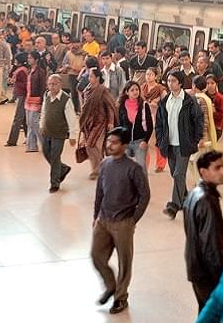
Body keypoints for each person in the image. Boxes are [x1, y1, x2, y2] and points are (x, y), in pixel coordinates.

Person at [91, 127, 150, 315]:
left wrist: (133, 219)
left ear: (124, 146)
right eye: (108, 141)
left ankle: (120, 297)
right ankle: (111, 285)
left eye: (114, 142)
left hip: (123, 222)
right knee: (97, 256)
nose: (109, 144)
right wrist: (95, 216)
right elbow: (99, 191)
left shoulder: (134, 168)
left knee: (125, 262)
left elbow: (145, 195)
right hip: (103, 220)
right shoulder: (105, 164)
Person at [183, 151, 223, 311]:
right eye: (217, 168)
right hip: (207, 273)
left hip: (196, 267)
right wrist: (220, 277)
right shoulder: (207, 201)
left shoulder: (194, 194)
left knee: (205, 313)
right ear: (203, 171)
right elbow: (211, 244)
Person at [156, 71, 204, 220]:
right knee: (174, 174)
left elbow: (198, 120)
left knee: (178, 174)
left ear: (181, 83)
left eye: (173, 81)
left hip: (183, 144)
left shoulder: (189, 101)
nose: (170, 84)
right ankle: (188, 200)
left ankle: (174, 206)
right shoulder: (164, 102)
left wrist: (195, 139)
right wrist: (160, 138)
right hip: (169, 144)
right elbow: (159, 124)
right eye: (169, 81)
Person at [39, 74, 78, 193]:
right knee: (46, 153)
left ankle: (54, 182)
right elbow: (44, 111)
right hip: (46, 131)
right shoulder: (46, 95)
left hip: (59, 133)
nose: (52, 86)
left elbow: (72, 118)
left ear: (60, 84)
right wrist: (41, 124)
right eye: (50, 84)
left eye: (55, 84)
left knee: (55, 157)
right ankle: (63, 168)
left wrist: (73, 135)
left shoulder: (66, 99)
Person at [79, 68, 117, 180]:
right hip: (88, 123)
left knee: (94, 145)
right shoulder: (87, 90)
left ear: (97, 78)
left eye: (91, 76)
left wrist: (110, 122)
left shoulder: (103, 91)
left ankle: (99, 169)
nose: (89, 78)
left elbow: (110, 107)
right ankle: (97, 169)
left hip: (100, 122)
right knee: (89, 146)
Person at [118, 81, 153, 172]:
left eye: (137, 89)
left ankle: (143, 186)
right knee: (124, 169)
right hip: (126, 143)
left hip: (140, 142)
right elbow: (119, 125)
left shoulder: (144, 105)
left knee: (141, 168)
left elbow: (150, 125)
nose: (135, 92)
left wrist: (145, 141)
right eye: (132, 90)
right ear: (127, 92)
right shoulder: (121, 106)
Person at [142, 67, 167, 173]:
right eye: (147, 74)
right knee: (144, 141)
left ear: (156, 76)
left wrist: (156, 103)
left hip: (158, 116)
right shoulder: (142, 87)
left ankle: (160, 164)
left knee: (158, 141)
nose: (148, 77)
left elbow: (166, 102)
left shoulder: (160, 88)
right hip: (144, 117)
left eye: (151, 74)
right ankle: (144, 165)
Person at [25, 51, 47, 152]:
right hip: (29, 98)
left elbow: (43, 87)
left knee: (35, 123)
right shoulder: (30, 70)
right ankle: (31, 146)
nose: (29, 60)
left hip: (36, 99)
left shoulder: (41, 72)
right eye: (28, 58)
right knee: (29, 122)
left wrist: (42, 100)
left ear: (36, 60)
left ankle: (45, 143)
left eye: (30, 58)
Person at [5, 53, 29, 147]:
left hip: (22, 95)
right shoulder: (22, 70)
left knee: (18, 118)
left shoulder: (22, 71)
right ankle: (29, 137)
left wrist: (15, 82)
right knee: (24, 118)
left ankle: (12, 140)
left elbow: (25, 84)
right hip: (21, 95)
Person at [60, 40, 85, 113]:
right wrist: (67, 67)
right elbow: (64, 63)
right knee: (73, 92)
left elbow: (86, 64)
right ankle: (75, 110)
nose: (75, 45)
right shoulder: (69, 53)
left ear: (80, 44)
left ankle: (81, 110)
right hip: (72, 75)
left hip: (81, 75)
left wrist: (79, 69)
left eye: (77, 43)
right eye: (74, 43)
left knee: (81, 93)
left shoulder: (84, 53)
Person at [205, 74, 223, 140]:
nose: (210, 85)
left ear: (216, 84)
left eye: (212, 83)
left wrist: (212, 113)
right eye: (208, 83)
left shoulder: (220, 98)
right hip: (205, 127)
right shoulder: (203, 96)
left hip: (216, 127)